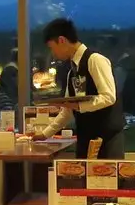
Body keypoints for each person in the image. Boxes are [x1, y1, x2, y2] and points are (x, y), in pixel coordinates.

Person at [33, 18, 125, 159]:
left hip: (107, 139)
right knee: (83, 179)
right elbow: (67, 111)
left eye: (52, 47)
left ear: (62, 40)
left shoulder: (95, 60)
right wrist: (44, 134)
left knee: (103, 180)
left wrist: (79, 106)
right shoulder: (72, 71)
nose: (53, 53)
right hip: (86, 137)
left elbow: (108, 97)